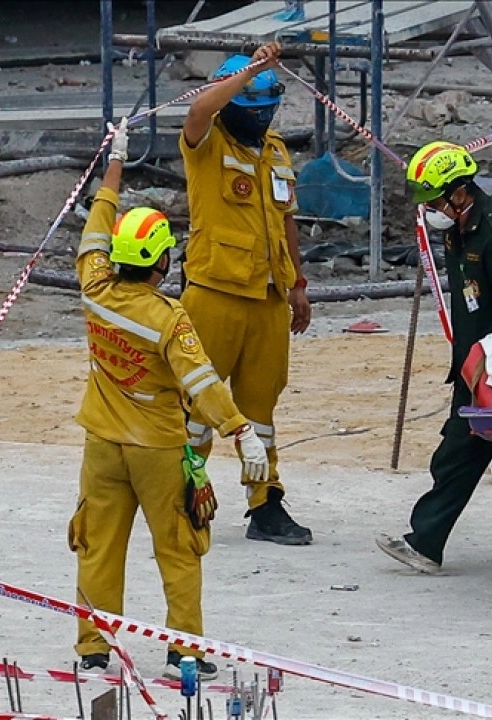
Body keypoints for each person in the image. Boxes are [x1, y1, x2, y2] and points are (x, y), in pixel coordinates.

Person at [69, 118, 269, 679]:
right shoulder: (167, 318)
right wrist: (239, 430)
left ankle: (93, 649)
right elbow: (201, 382)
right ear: (161, 262)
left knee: (98, 546)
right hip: (156, 448)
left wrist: (115, 161)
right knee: (179, 548)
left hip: (101, 444)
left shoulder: (94, 287)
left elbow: (96, 223)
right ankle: (184, 651)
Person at [376, 141, 492, 576]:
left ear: (460, 192)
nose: (430, 210)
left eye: (434, 201)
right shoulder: (458, 229)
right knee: (461, 455)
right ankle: (426, 543)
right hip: (476, 365)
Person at [179, 42, 313, 545]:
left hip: (269, 297)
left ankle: (265, 503)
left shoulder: (275, 150)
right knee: (198, 408)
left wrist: (298, 285)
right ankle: (183, 493)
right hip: (214, 294)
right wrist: (251, 68)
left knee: (261, 410)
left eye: (268, 108)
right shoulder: (206, 143)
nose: (261, 118)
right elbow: (199, 109)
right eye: (252, 108)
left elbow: (286, 220)